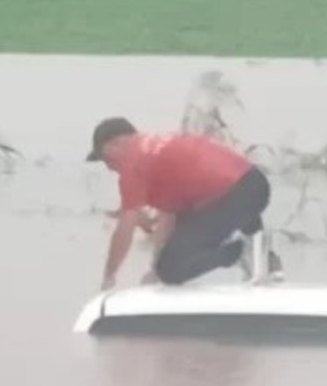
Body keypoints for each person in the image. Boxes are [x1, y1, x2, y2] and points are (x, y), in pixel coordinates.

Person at [86, 116, 281, 291]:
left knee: (171, 269)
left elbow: (125, 228)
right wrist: (154, 270)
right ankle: (262, 253)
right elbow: (170, 218)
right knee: (170, 257)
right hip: (253, 185)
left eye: (106, 159)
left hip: (233, 196)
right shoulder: (158, 146)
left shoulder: (133, 163)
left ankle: (240, 252)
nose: (109, 167)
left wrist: (109, 277)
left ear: (116, 143)